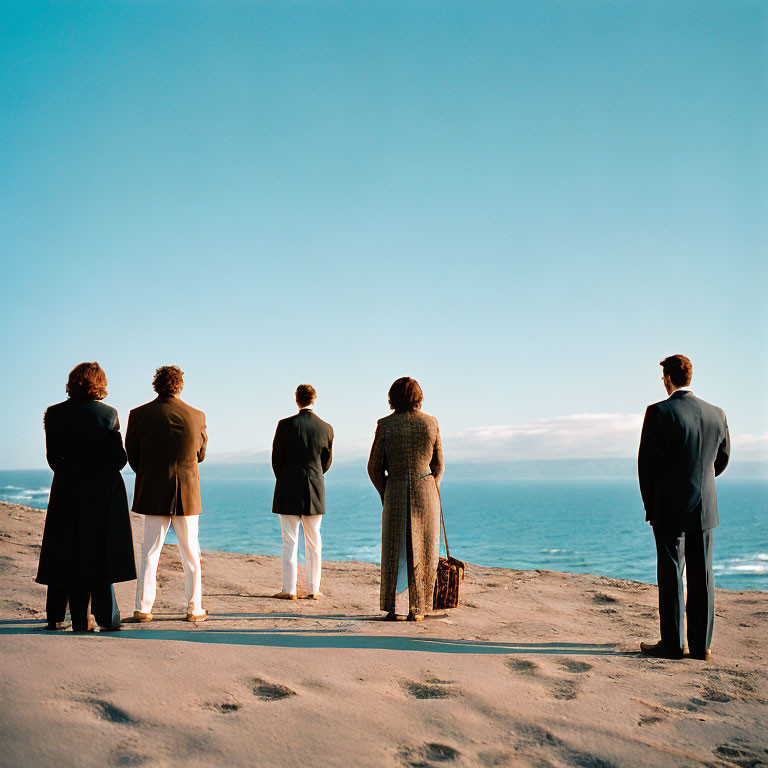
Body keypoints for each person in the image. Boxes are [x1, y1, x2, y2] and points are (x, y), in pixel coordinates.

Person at [638, 354, 730, 661]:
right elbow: (722, 460)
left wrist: (651, 505)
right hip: (705, 505)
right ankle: (701, 646)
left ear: (667, 379)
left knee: (671, 573)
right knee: (703, 574)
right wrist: (700, 480)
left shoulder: (658, 412)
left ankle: (673, 645)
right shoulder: (717, 413)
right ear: (689, 377)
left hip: (668, 506)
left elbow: (646, 467)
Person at [36, 362, 136, 632]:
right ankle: (105, 617)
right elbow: (118, 460)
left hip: (66, 490)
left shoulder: (54, 414)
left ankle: (56, 616)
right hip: (100, 492)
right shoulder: (108, 414)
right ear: (99, 384)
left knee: (63, 552)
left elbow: (53, 459)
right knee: (98, 554)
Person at [126, 365, 208, 622]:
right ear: (180, 386)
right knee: (191, 553)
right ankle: (194, 609)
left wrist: (150, 474)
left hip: (153, 491)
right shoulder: (197, 415)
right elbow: (200, 455)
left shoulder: (139, 414)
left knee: (149, 551)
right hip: (187, 492)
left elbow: (133, 456)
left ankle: (144, 608)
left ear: (156, 385)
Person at [368, 377, 444, 622]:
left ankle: (395, 608)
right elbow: (439, 464)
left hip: (396, 489)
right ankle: (419, 609)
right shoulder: (431, 423)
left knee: (396, 551)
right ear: (418, 397)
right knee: (425, 550)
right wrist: (431, 487)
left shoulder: (385, 425)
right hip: (426, 491)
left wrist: (386, 491)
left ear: (393, 397)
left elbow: (373, 468)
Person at [271, 384, 334, 600]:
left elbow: (276, 460)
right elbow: (326, 462)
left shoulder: (285, 425)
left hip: (288, 486)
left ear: (297, 400)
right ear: (314, 399)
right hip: (314, 488)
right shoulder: (326, 428)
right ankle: (313, 589)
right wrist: (314, 474)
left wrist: (286, 476)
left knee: (290, 540)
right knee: (314, 541)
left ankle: (289, 590)